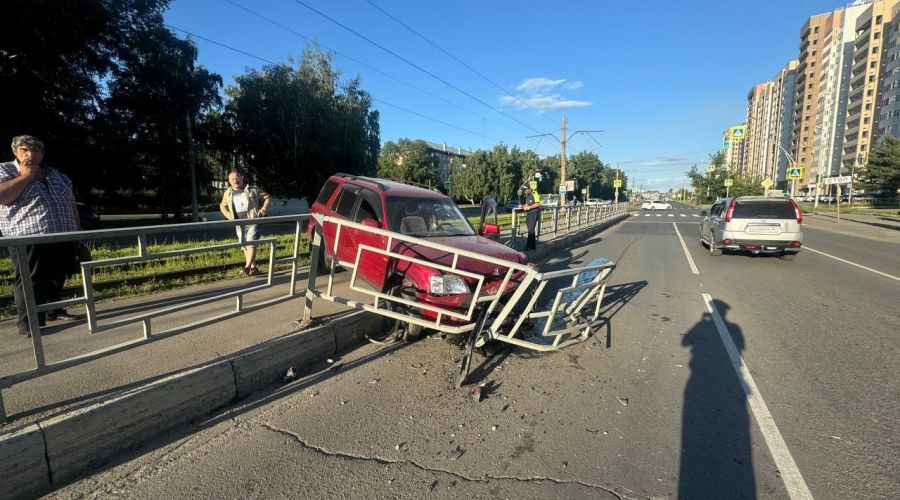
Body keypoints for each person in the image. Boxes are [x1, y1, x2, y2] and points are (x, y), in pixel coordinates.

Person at [0, 135, 81, 337]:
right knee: (30, 280)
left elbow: (71, 203)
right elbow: (2, 197)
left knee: (57, 275)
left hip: (63, 233)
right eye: (25, 149)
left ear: (42, 153)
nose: (30, 154)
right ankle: (28, 322)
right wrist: (25, 176)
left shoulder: (56, 174)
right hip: (28, 236)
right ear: (15, 151)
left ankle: (54, 310)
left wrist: (78, 232)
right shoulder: (6, 170)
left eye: (35, 151)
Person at [219, 171, 271, 277]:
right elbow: (222, 206)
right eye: (233, 179)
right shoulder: (228, 193)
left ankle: (246, 268)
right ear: (229, 181)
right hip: (239, 223)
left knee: (251, 243)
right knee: (245, 246)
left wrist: (264, 209)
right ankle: (253, 268)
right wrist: (229, 216)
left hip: (253, 221)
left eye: (237, 178)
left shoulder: (252, 189)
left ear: (242, 178)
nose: (235, 180)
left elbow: (267, 197)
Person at [518, 183, 542, 251]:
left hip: (534, 213)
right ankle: (533, 246)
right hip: (529, 214)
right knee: (530, 230)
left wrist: (528, 207)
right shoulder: (527, 195)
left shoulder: (534, 193)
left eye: (525, 190)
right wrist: (522, 206)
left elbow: (538, 203)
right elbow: (527, 204)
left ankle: (527, 247)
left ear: (528, 188)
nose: (524, 191)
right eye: (523, 190)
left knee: (530, 231)